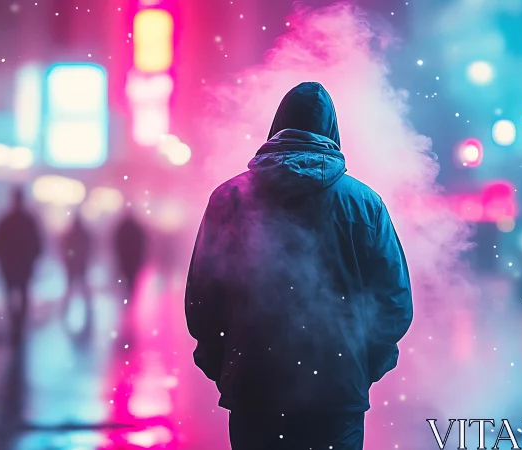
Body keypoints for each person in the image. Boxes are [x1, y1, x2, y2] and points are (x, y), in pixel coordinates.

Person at [185, 82, 413, 449]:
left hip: (253, 388)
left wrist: (225, 365)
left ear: (277, 128)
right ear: (331, 132)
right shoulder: (364, 204)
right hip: (337, 394)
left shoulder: (229, 199)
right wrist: (362, 366)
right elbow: (394, 302)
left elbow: (203, 298)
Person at [0, 188, 42, 346]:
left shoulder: (6, 221)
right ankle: (18, 326)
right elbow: (37, 244)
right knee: (22, 296)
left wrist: (2, 260)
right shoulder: (28, 221)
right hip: (22, 267)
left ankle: (16, 325)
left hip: (11, 266)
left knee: (11, 297)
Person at [61, 214, 93, 324]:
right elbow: (88, 248)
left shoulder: (70, 234)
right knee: (82, 289)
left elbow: (64, 249)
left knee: (71, 289)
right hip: (80, 265)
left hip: (72, 266)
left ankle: (65, 310)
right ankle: (88, 311)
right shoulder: (83, 234)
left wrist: (67, 261)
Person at [113, 212, 147, 297]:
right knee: (132, 278)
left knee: (126, 277)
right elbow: (142, 244)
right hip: (134, 258)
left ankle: (128, 294)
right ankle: (131, 293)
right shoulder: (137, 229)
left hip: (125, 259)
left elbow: (117, 243)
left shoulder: (122, 228)